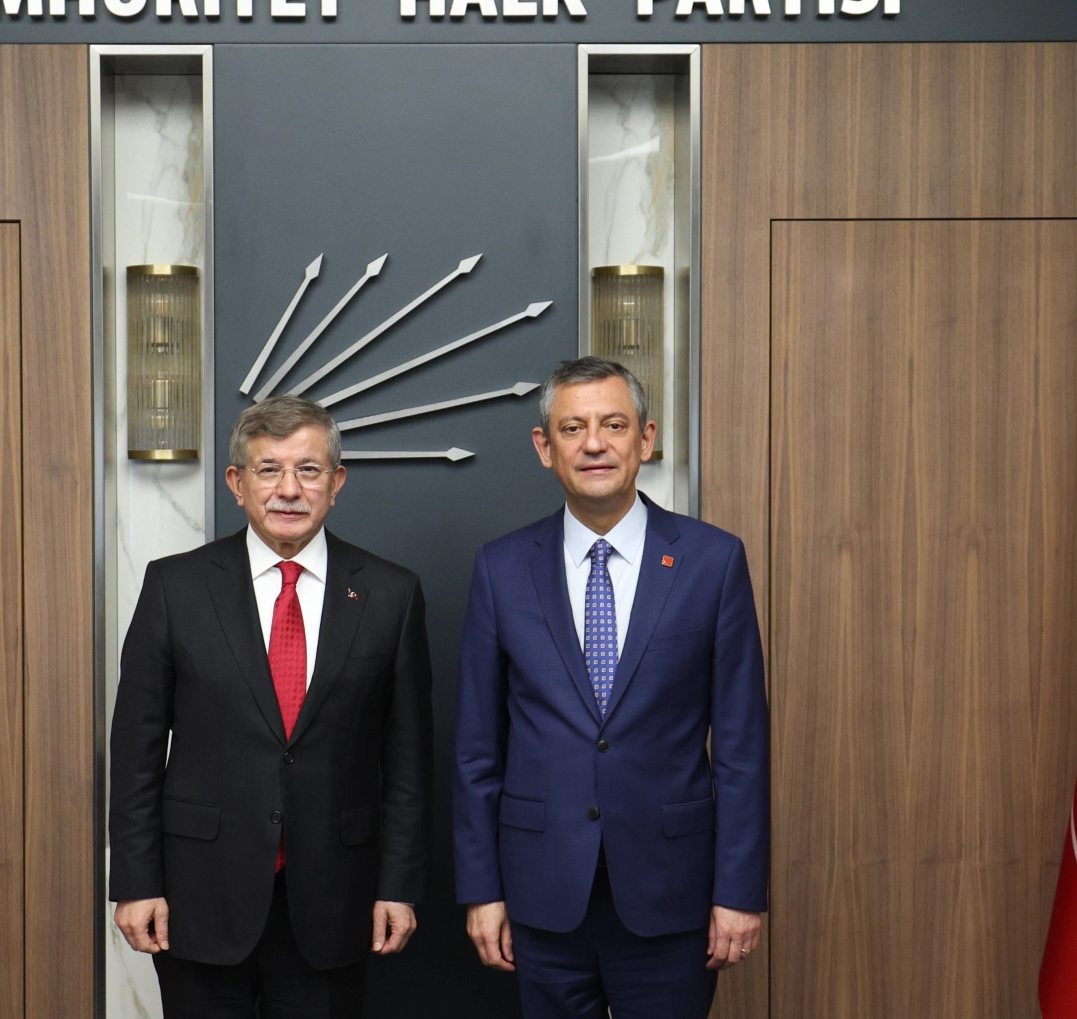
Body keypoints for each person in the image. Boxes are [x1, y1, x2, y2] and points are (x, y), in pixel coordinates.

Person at [452, 356, 769, 1018]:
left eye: (614, 425)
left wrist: (740, 892)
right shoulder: (501, 568)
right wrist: (482, 890)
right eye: (573, 428)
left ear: (646, 439)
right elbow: (477, 751)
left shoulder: (713, 561)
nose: (594, 443)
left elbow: (742, 749)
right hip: (540, 895)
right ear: (545, 447)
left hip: (672, 894)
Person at [108, 395, 434, 1018]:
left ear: (336, 482)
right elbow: (136, 752)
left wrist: (399, 886)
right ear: (237, 483)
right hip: (199, 896)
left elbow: (409, 763)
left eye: (308, 470)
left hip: (336, 899)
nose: (289, 489)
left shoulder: (391, 594)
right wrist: (135, 881)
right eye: (268, 470)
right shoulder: (175, 586)